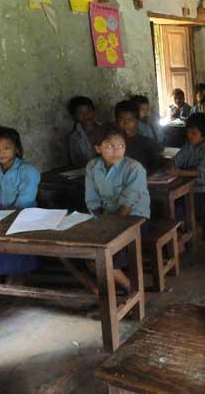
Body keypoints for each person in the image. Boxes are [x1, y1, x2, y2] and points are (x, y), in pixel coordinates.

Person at [85, 124, 150, 292]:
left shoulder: (134, 168)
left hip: (133, 219)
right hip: (106, 218)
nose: (117, 151)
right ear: (98, 148)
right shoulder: (92, 167)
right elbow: (92, 200)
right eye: (110, 146)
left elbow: (126, 206)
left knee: (104, 254)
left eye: (121, 146)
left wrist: (108, 227)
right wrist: (100, 220)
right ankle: (111, 287)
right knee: (85, 251)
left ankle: (130, 288)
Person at [0, 127, 40, 278]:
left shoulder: (28, 171)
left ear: (17, 149)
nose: (0, 152)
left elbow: (25, 199)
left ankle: (10, 272)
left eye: (6, 148)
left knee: (10, 239)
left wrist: (5, 216)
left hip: (23, 216)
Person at [167, 113, 205, 216]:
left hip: (203, 190)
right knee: (170, 203)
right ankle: (181, 225)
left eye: (194, 133)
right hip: (186, 187)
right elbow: (177, 160)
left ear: (204, 134)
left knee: (180, 208)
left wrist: (179, 172)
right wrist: (171, 165)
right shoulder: (188, 146)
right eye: (188, 132)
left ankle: (187, 227)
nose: (189, 135)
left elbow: (198, 172)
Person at [115, 100, 162, 172]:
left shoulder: (148, 143)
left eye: (130, 120)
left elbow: (155, 169)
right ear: (116, 122)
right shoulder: (112, 145)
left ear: (137, 121)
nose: (126, 123)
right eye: (121, 120)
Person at [67, 96, 104, 167]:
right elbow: (77, 163)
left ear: (94, 111)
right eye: (80, 113)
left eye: (89, 111)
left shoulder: (106, 128)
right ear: (74, 116)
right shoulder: (74, 138)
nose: (86, 115)